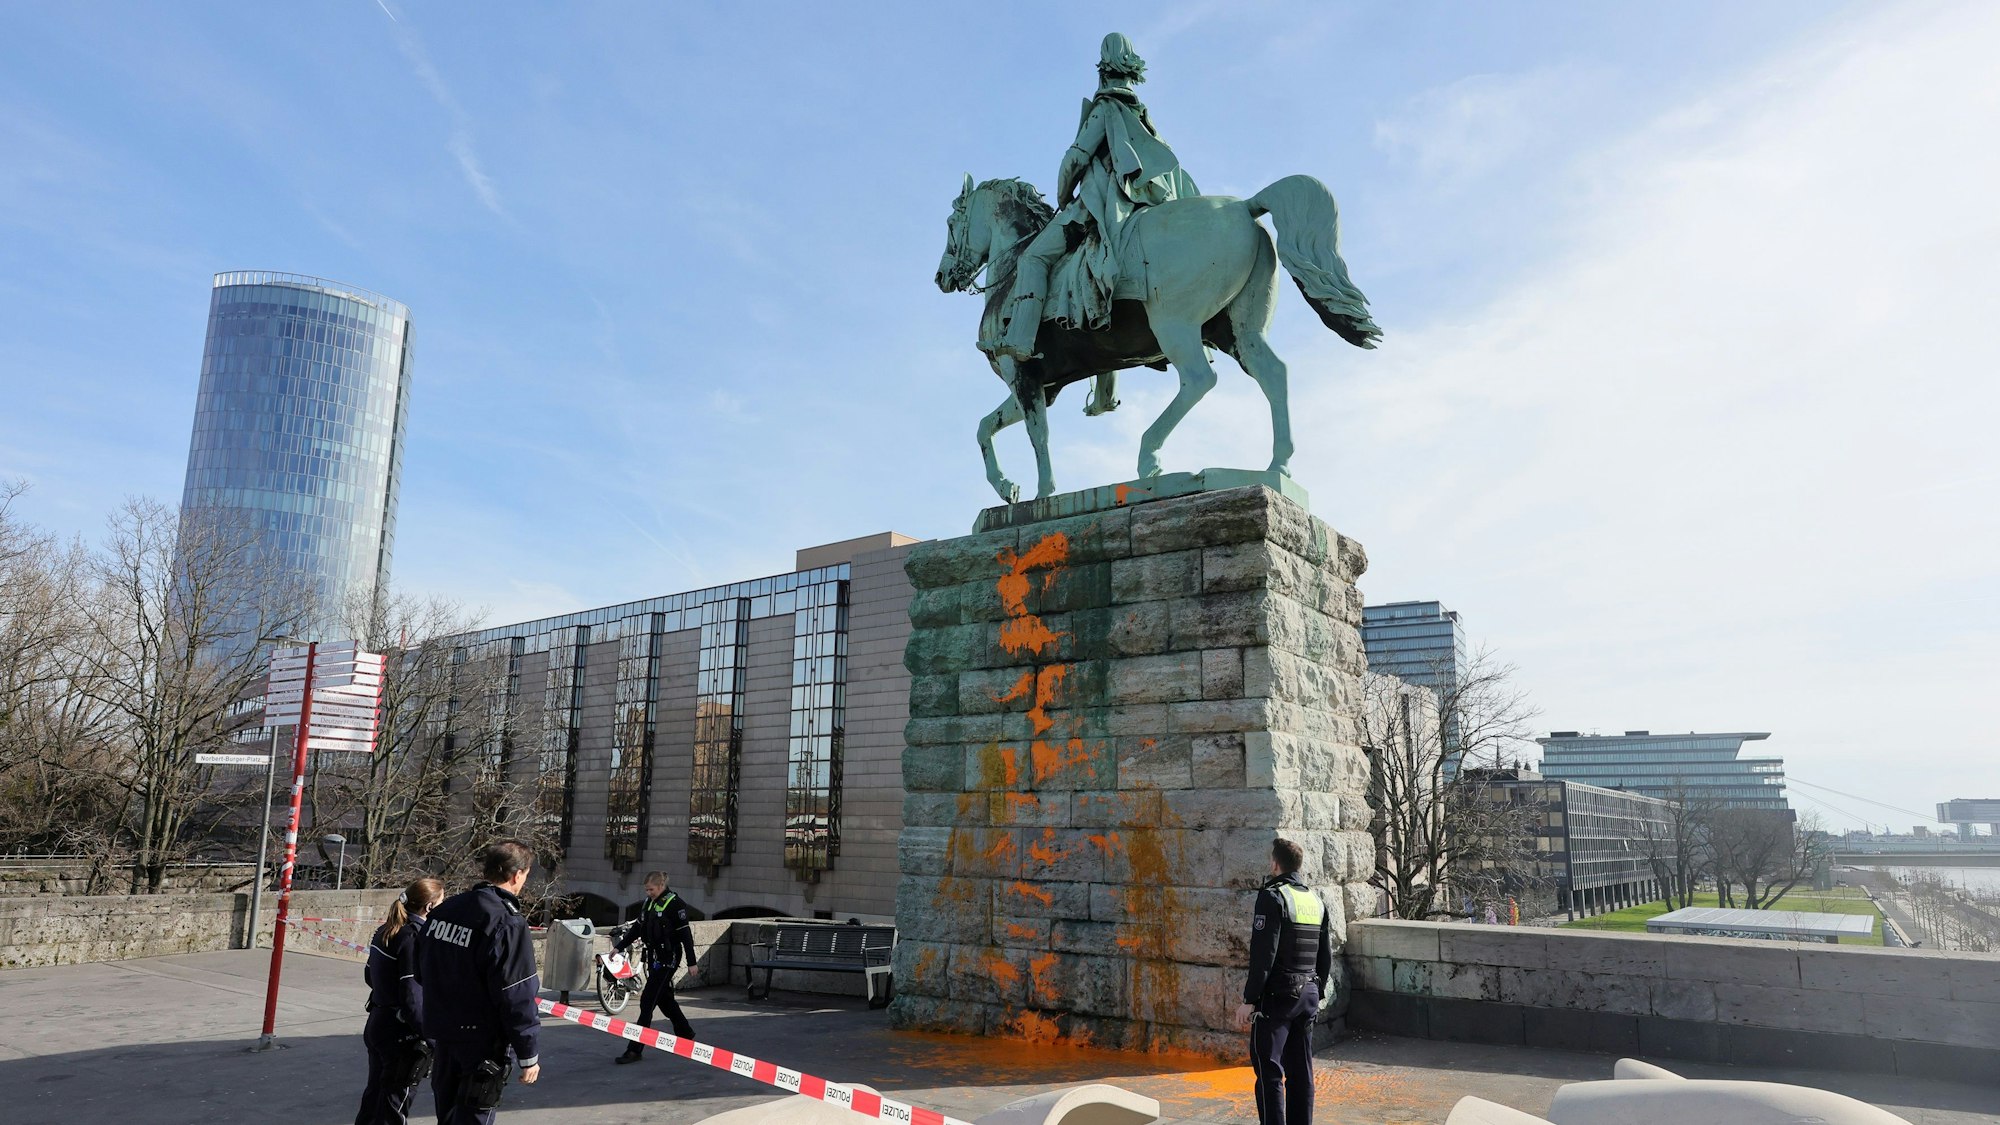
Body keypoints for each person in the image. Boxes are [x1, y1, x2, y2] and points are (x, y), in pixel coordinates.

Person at [992, 31, 1199, 418]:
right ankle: (1104, 394)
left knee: (1033, 259)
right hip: (1139, 204)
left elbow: (1075, 159)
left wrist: (1061, 194)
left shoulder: (1105, 109)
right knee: (1097, 281)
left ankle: (1020, 339)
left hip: (1095, 208)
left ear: (1103, 69)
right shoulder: (1142, 115)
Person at [418, 842, 542, 1124]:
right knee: (474, 1116)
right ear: (517, 875)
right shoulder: (507, 922)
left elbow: (421, 970)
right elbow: (516, 993)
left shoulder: (446, 909)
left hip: (444, 1034)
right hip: (482, 1042)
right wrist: (528, 1053)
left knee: (447, 1116)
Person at [1234, 838, 1333, 1125]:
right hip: (1309, 994)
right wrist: (1317, 991)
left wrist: (1249, 1000)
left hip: (1278, 998)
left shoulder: (1272, 896)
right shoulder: (1315, 900)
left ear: (1275, 864)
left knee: (1270, 1070)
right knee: (1302, 1072)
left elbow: (1264, 954)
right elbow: (1324, 956)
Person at [355, 876, 444, 1125]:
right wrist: (431, 1037)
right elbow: (412, 996)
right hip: (400, 1033)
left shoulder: (386, 930)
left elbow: (369, 975)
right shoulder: (413, 938)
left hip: (378, 1021)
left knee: (375, 1096)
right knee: (396, 1102)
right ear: (429, 908)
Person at [610, 871, 701, 1063]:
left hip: (669, 959)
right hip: (654, 958)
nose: (648, 892)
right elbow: (637, 928)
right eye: (646, 890)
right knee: (664, 999)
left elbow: (686, 937)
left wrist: (692, 962)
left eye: (651, 889)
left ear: (661, 886)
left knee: (647, 1002)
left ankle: (635, 1050)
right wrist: (619, 947)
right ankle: (685, 1033)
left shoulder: (675, 904)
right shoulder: (649, 903)